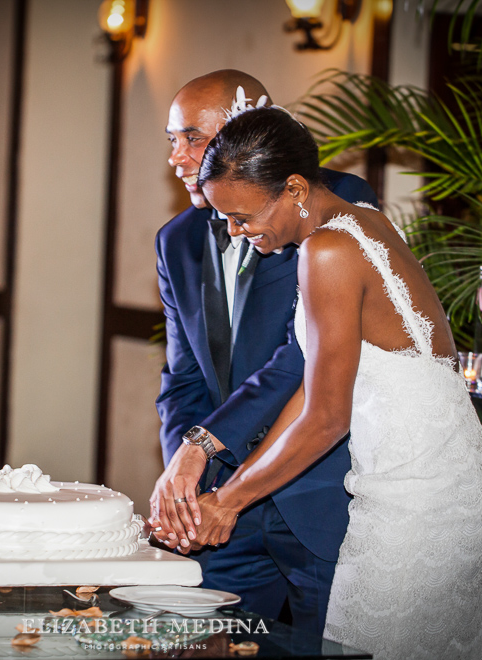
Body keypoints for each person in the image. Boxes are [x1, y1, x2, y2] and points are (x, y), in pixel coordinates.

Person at [173, 102, 482, 658]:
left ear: (296, 189)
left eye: (242, 216)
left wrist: (228, 504)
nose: (236, 234)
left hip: (414, 497)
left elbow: (328, 419)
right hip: (431, 480)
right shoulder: (361, 221)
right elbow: (313, 388)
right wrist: (230, 486)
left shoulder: (328, 251)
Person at [149, 70, 377, 631]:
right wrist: (187, 476)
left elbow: (300, 356)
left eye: (191, 137)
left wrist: (204, 443)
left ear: (241, 131)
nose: (177, 157)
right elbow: (183, 378)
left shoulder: (329, 205)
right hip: (223, 503)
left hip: (318, 493)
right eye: (170, 140)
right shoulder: (175, 240)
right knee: (192, 639)